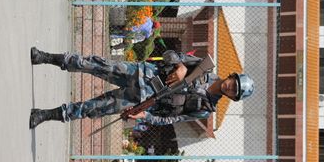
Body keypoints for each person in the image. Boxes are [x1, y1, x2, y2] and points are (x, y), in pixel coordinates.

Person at [29, 47, 254, 129]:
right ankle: (46, 57)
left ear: (232, 97)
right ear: (232, 76)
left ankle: (45, 115)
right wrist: (181, 65)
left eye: (234, 90)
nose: (230, 86)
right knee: (93, 64)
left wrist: (146, 115)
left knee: (92, 108)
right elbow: (169, 54)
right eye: (234, 83)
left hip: (139, 101)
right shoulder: (204, 68)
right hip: (139, 73)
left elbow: (171, 120)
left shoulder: (205, 108)